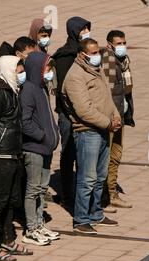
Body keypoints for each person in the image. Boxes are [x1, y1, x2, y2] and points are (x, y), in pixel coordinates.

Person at [63, 38, 120, 234]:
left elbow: (106, 96)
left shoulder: (95, 70)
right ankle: (81, 219)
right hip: (88, 132)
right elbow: (83, 110)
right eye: (93, 53)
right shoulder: (75, 76)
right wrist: (107, 122)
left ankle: (96, 213)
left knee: (100, 176)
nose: (97, 56)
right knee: (87, 178)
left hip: (104, 129)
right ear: (82, 54)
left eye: (98, 52)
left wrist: (115, 115)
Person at [0, 55, 33, 261]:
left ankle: (8, 239)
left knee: (11, 200)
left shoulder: (13, 91)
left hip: (13, 154)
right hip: (2, 155)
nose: (21, 74)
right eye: (18, 71)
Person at [19, 52, 60, 246]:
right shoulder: (28, 90)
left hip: (45, 148)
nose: (49, 72)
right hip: (34, 148)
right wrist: (42, 136)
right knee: (33, 189)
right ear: (38, 68)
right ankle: (31, 228)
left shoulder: (41, 88)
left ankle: (39, 223)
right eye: (47, 68)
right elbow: (25, 122)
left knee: (42, 189)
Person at [52, 16, 91, 213]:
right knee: (68, 154)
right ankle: (68, 195)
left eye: (87, 29)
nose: (85, 33)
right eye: (82, 30)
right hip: (68, 115)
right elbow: (63, 90)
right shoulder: (65, 56)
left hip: (85, 112)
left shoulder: (87, 52)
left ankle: (84, 196)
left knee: (85, 156)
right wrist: (73, 114)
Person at [101, 30, 135, 210]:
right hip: (112, 117)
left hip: (120, 116)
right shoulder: (109, 61)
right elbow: (107, 93)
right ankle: (104, 196)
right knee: (107, 157)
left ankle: (112, 192)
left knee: (116, 156)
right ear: (109, 45)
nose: (122, 46)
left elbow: (127, 89)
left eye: (124, 42)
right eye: (118, 43)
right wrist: (113, 116)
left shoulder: (123, 61)